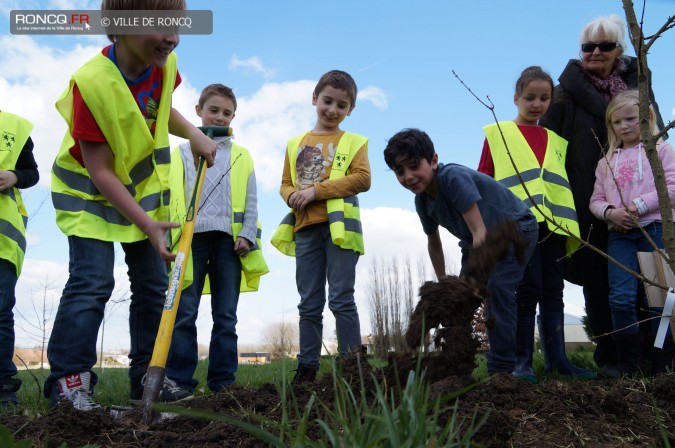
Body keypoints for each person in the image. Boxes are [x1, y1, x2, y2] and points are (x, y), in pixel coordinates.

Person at [46, 0, 217, 410]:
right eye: (161, 26)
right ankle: (70, 382)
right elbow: (101, 170)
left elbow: (160, 111)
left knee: (153, 286)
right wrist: (147, 224)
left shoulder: (163, 67)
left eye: (178, 26)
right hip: (90, 199)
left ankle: (146, 379)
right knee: (92, 283)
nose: (174, 38)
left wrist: (192, 132)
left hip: (141, 200)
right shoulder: (91, 84)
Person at [539, 14, 666, 376]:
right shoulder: (565, 92)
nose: (595, 52)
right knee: (599, 282)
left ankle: (654, 357)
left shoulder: (638, 88)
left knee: (649, 280)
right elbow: (548, 143)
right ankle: (611, 356)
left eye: (604, 46)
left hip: (645, 208)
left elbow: (655, 136)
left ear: (619, 51)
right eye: (587, 46)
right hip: (588, 201)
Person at [384, 128, 539, 375]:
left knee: (496, 291)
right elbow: (433, 243)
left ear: (433, 160)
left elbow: (480, 230)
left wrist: (477, 281)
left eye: (414, 166)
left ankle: (502, 371)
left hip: (513, 229)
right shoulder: (422, 201)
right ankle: (456, 367)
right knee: (456, 302)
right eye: (399, 171)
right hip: (475, 241)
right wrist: (444, 283)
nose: (409, 176)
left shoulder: (452, 177)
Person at [478, 66, 596, 382]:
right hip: (517, 227)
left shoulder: (557, 141)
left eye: (544, 98)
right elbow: (484, 180)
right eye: (530, 97)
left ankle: (558, 360)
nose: (537, 104)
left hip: (554, 227)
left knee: (552, 290)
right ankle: (521, 362)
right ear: (516, 98)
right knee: (526, 290)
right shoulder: (498, 134)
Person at [163, 84, 269, 401]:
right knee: (184, 312)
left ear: (233, 116)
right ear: (198, 110)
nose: (220, 117)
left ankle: (223, 383)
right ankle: (179, 380)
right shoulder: (181, 152)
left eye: (227, 113)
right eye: (214, 110)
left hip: (228, 244)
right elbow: (172, 198)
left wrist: (247, 234)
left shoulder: (241, 156)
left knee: (226, 315)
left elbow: (251, 201)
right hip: (190, 242)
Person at [271, 70, 370, 384]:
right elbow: (285, 184)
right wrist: (293, 196)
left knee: (341, 297)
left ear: (350, 110)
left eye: (342, 105)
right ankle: (307, 368)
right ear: (315, 99)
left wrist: (316, 191)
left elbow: (363, 179)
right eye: (328, 101)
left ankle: (352, 368)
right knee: (309, 302)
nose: (333, 110)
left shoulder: (353, 142)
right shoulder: (294, 144)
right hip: (305, 230)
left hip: (340, 229)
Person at [589, 90, 675, 377]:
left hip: (656, 230)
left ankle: (664, 364)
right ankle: (629, 364)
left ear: (647, 118)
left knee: (661, 297)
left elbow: (672, 189)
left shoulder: (662, 151)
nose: (624, 126)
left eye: (631, 119)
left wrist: (638, 206)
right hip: (620, 235)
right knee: (621, 298)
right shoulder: (606, 162)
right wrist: (611, 212)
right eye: (617, 122)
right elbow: (596, 200)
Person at [0, 111, 39, 411]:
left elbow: (31, 173)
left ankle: (3, 388)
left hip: (2, 242)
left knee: (0, 313)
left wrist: (14, 176)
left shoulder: (14, 126)